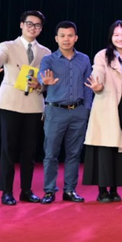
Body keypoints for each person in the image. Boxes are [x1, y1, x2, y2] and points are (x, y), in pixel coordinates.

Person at [0, 10, 51, 205]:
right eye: (29, 23)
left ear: (41, 29)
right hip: (10, 103)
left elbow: (46, 79)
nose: (33, 28)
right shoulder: (7, 46)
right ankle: (6, 191)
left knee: (29, 151)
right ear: (21, 25)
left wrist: (41, 85)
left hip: (33, 104)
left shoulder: (46, 52)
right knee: (9, 149)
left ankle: (26, 191)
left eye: (37, 25)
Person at [83, 20, 122, 203]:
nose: (120, 38)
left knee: (121, 148)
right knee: (105, 147)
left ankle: (115, 189)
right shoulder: (102, 55)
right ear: (111, 37)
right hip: (107, 104)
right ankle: (102, 190)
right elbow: (97, 73)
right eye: (116, 35)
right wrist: (97, 85)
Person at [38, 21, 92, 204]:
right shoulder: (49, 60)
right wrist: (45, 81)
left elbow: (88, 86)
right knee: (51, 153)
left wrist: (86, 109)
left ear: (76, 38)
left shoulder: (84, 59)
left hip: (78, 112)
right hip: (55, 111)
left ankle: (69, 190)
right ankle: (49, 191)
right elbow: (41, 76)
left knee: (74, 154)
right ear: (56, 38)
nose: (66, 39)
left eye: (70, 35)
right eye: (62, 36)